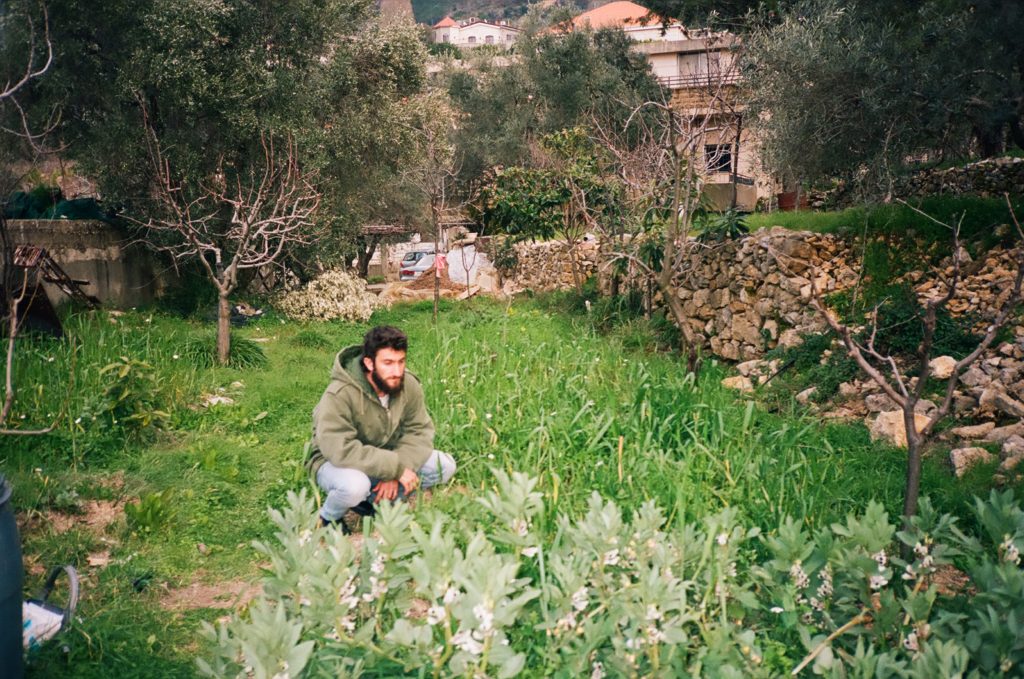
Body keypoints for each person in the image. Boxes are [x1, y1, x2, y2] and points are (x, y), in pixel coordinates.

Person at [307, 325, 456, 531]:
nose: (396, 371)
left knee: (444, 466)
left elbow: (419, 431)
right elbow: (339, 449)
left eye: (400, 362)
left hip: (385, 455)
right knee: (354, 487)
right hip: (334, 461)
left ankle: (372, 503)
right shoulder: (340, 394)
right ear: (369, 363)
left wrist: (397, 470)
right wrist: (393, 469)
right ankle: (327, 519)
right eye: (388, 363)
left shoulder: (408, 384)